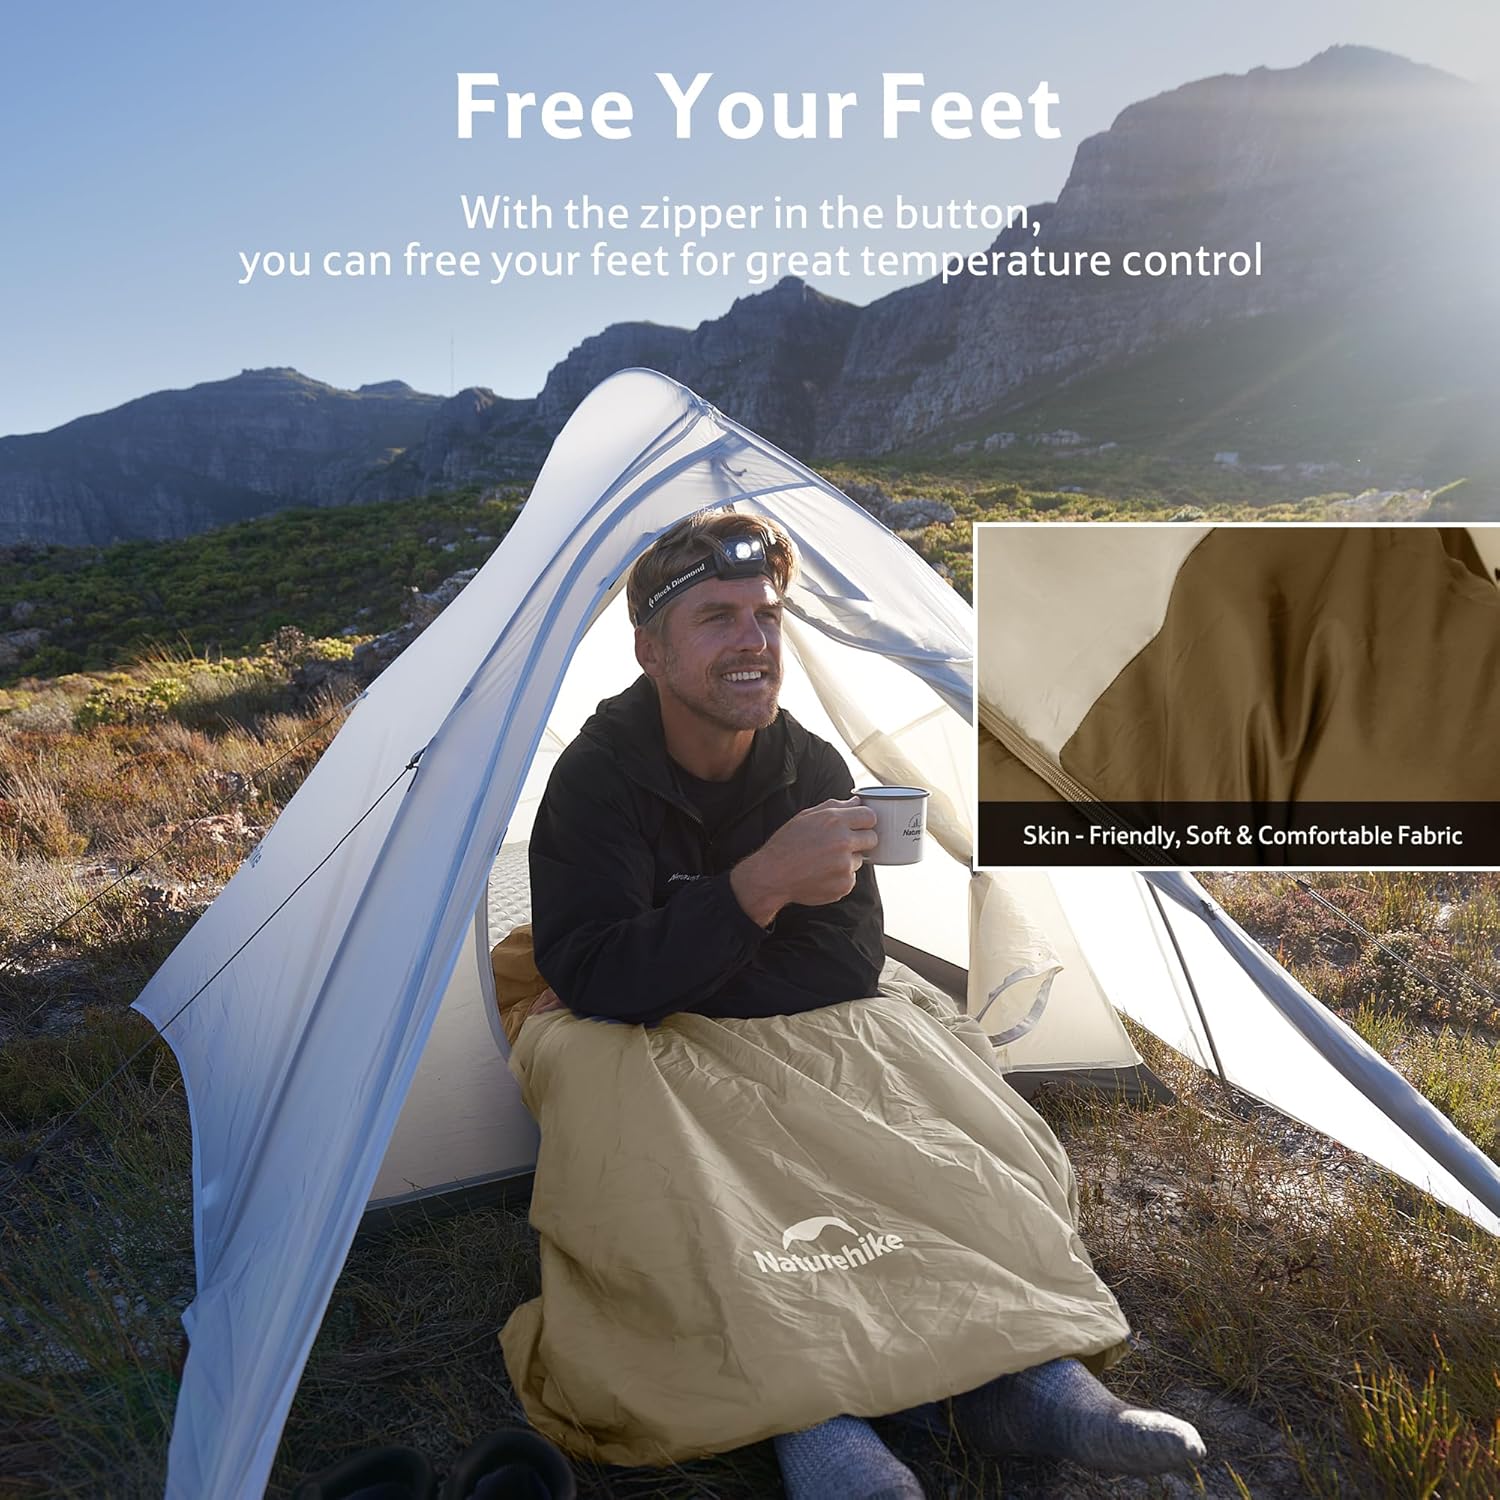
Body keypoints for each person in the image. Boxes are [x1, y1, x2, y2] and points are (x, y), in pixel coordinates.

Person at [527, 510, 1206, 1498]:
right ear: (650, 650)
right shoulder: (594, 781)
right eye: (718, 618)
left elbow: (846, 963)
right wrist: (758, 885)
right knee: (628, 1098)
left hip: (750, 1010)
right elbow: (594, 977)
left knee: (917, 1068)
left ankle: (1027, 1378)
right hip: (648, 1041)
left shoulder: (806, 766)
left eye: (766, 617)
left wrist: (688, 952)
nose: (754, 641)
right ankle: (822, 1432)